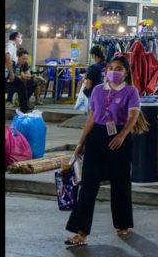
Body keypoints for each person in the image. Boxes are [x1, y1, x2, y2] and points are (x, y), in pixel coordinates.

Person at [64, 55, 144, 247]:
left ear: (126, 73)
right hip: (97, 138)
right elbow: (92, 117)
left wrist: (122, 136)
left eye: (119, 69)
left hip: (120, 138)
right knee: (88, 185)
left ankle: (122, 223)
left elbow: (133, 116)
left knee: (121, 183)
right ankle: (81, 232)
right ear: (106, 70)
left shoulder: (131, 91)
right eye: (111, 68)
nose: (114, 72)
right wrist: (80, 143)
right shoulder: (98, 90)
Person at [6, 32, 22, 103]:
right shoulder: (9, 45)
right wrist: (11, 72)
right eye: (20, 37)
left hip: (10, 70)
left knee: (19, 84)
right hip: (7, 71)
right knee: (18, 85)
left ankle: (10, 101)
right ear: (16, 38)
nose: (21, 39)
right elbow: (7, 58)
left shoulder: (13, 46)